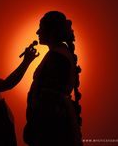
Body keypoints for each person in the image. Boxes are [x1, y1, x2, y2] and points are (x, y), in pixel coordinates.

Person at [23, 11, 83, 146]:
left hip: (51, 129)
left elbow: (49, 100)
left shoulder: (57, 57)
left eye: (41, 28)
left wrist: (35, 127)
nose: (38, 32)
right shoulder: (57, 53)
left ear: (53, 31)